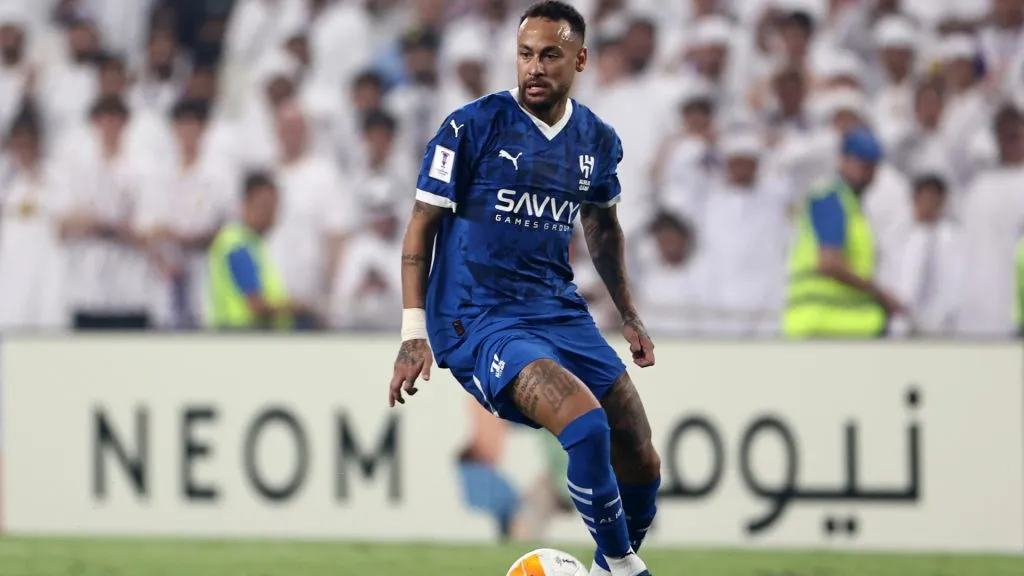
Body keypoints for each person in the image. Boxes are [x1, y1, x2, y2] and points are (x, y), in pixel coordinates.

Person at [387, 3, 660, 576]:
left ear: (580, 59)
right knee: (586, 427)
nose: (534, 68)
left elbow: (602, 226)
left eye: (550, 55)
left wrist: (628, 314)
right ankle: (625, 566)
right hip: (479, 318)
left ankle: (610, 567)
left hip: (556, 309)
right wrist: (413, 331)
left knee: (636, 445)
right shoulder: (471, 126)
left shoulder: (596, 141)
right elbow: (421, 224)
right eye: (525, 54)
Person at [783, 126, 906, 338]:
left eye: (872, 163)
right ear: (843, 161)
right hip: (825, 324)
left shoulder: (853, 209)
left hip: (838, 326)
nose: (867, 170)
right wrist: (880, 294)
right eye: (861, 161)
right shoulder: (831, 199)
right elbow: (829, 262)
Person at [206, 171, 312, 330]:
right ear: (247, 204)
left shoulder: (254, 244)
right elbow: (256, 305)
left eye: (274, 208)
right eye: (265, 207)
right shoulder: (236, 244)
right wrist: (295, 307)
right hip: (240, 337)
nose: (271, 215)